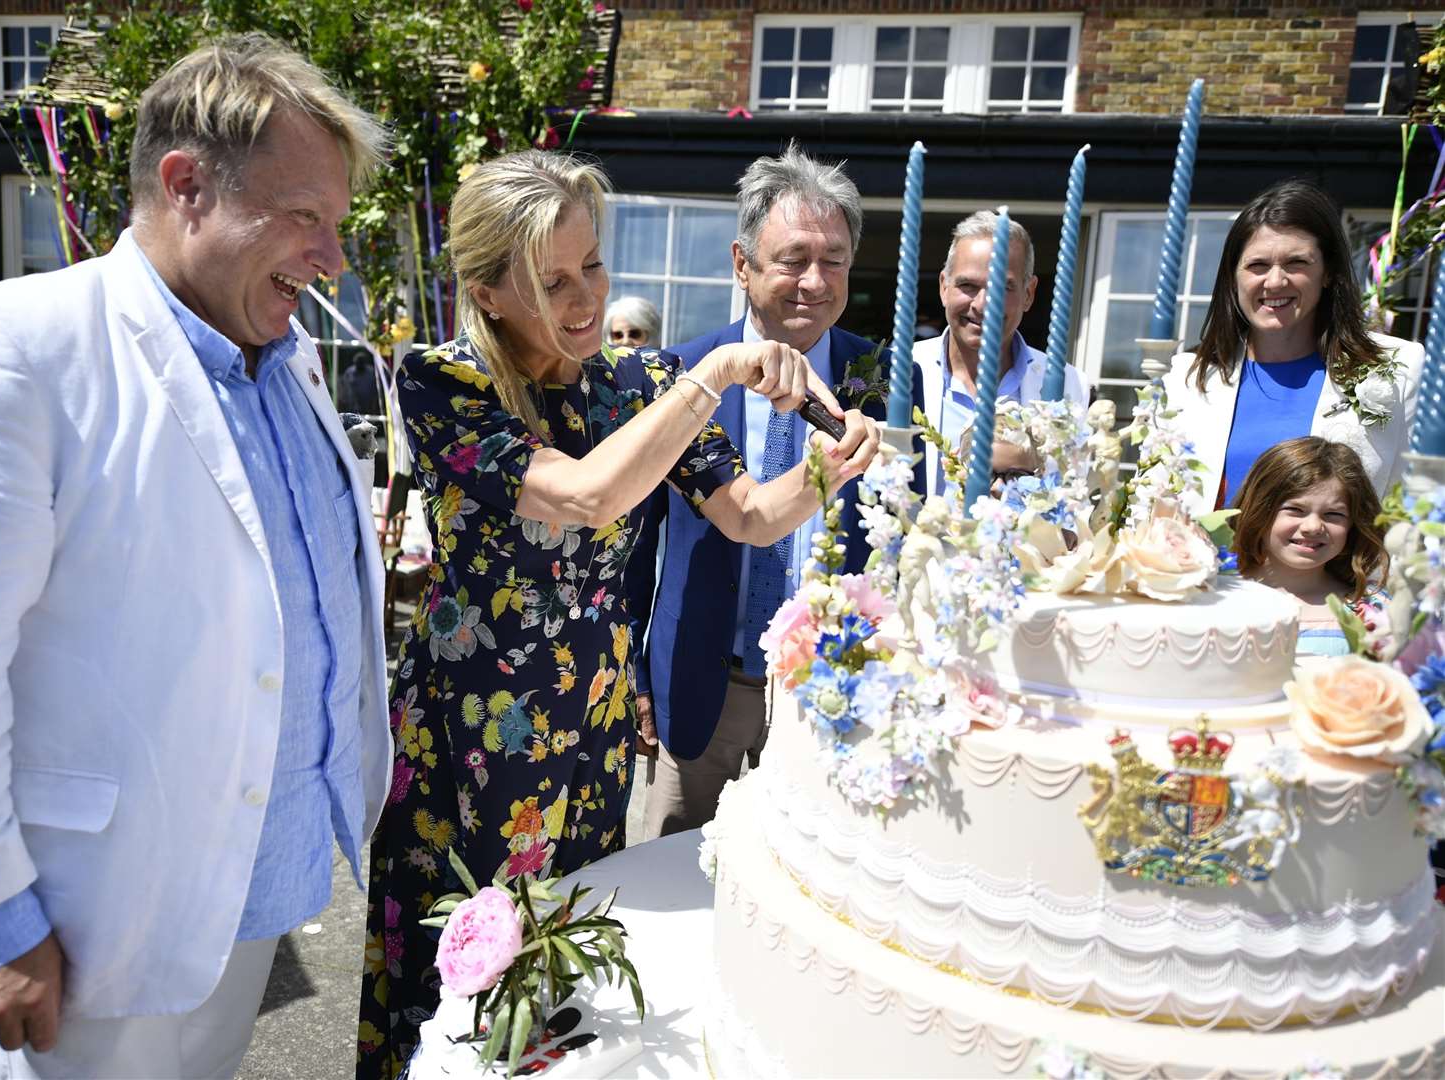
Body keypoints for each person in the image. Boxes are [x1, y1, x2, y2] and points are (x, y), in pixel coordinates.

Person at [0, 34, 394, 1079]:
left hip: (249, 891)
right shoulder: (11, 349)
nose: (333, 260)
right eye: (306, 218)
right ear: (185, 185)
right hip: (96, 922)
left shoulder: (287, 359)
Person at [355, 150, 879, 1077]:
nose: (585, 295)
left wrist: (832, 469)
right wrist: (712, 372)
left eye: (592, 265)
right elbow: (589, 495)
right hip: (470, 743)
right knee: (452, 983)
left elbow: (750, 516)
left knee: (565, 982)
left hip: (587, 735)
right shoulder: (443, 382)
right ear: (488, 293)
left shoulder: (634, 385)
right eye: (549, 280)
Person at [629, 143, 917, 839]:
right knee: (678, 878)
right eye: (793, 259)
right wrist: (634, 676)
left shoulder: (886, 379)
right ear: (742, 264)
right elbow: (636, 541)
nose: (815, 281)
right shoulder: (681, 373)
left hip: (836, 695)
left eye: (834, 261)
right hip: (704, 688)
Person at [1164, 179, 1424, 510]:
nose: (1275, 281)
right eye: (1257, 265)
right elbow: (1158, 502)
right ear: (1233, 277)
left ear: (1327, 272)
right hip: (1211, 562)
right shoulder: (1188, 377)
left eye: (1296, 263)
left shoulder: (1397, 368)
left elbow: (1417, 501)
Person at [915, 210, 1089, 493]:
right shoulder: (900, 369)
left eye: (1003, 287)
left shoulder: (1068, 384)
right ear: (944, 286)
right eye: (968, 285)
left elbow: (1072, 502)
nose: (983, 305)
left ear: (1029, 293)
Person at [1231, 436, 1388, 657]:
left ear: (1353, 524)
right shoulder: (1216, 595)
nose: (1313, 527)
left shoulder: (1372, 610)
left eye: (1333, 514)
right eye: (1295, 510)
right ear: (1260, 510)